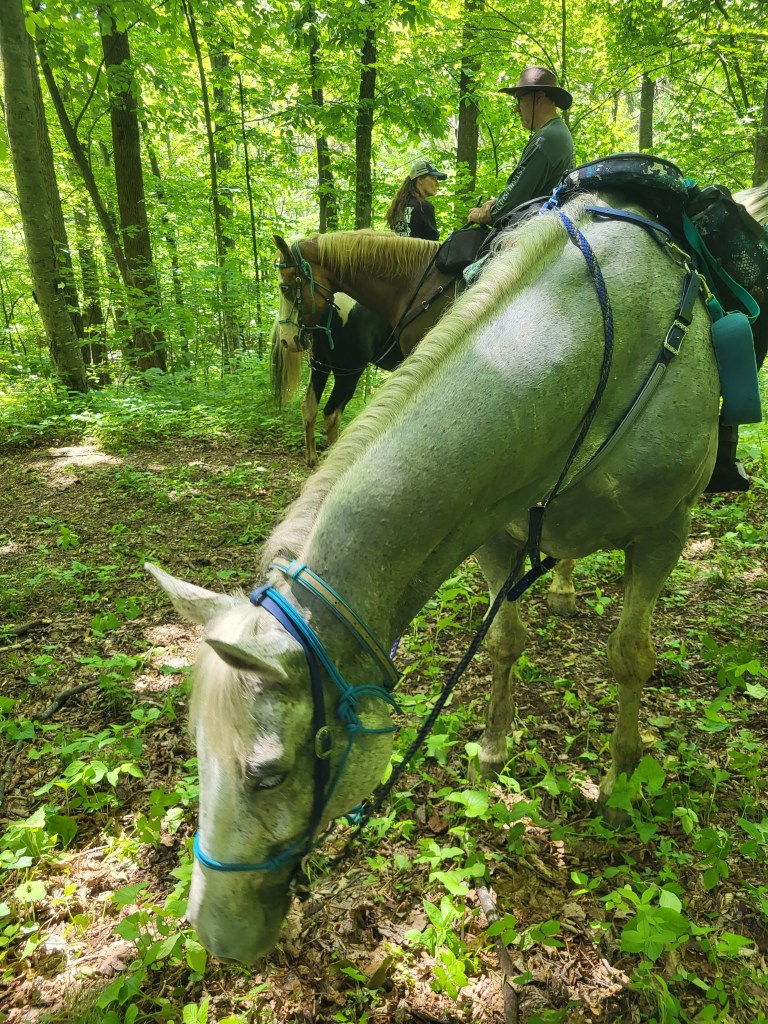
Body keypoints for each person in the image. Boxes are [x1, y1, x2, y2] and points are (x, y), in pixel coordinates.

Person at [467, 65, 574, 228]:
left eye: (519, 99)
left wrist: (485, 214)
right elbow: (523, 191)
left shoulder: (546, 139)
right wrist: (497, 202)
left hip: (535, 233)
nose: (516, 109)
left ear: (539, 98)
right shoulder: (557, 131)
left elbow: (511, 205)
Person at [386, 159, 447, 241]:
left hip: (397, 249)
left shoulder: (398, 206)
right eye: (433, 178)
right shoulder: (424, 207)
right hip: (418, 250)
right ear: (420, 179)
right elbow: (432, 243)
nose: (437, 184)